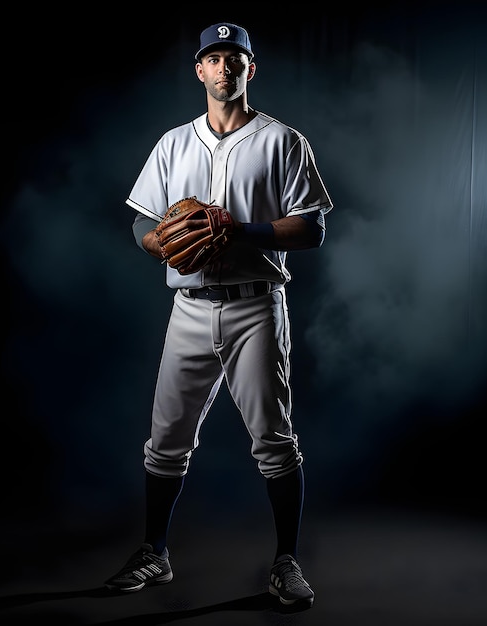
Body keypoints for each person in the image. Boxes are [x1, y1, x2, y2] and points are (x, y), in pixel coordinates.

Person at [104, 22, 333, 608]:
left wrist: (240, 230)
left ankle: (286, 561)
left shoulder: (282, 141)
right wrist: (159, 242)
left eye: (236, 57)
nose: (224, 67)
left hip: (257, 306)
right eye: (214, 58)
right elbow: (140, 222)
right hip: (187, 307)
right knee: (165, 441)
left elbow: (311, 227)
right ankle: (155, 552)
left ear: (250, 69)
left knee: (275, 442)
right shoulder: (173, 143)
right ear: (200, 70)